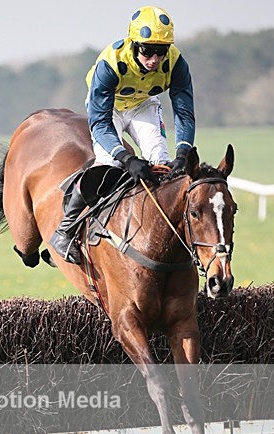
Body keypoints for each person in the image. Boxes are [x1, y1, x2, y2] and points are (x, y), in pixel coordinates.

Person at [50, 5, 195, 265]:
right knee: (109, 164)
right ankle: (65, 230)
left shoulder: (176, 63)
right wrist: (127, 158)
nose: (154, 59)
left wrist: (183, 152)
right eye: (147, 50)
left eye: (161, 51)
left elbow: (184, 112)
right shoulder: (110, 64)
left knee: (162, 163)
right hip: (109, 109)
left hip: (143, 104)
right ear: (133, 44)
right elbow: (100, 124)